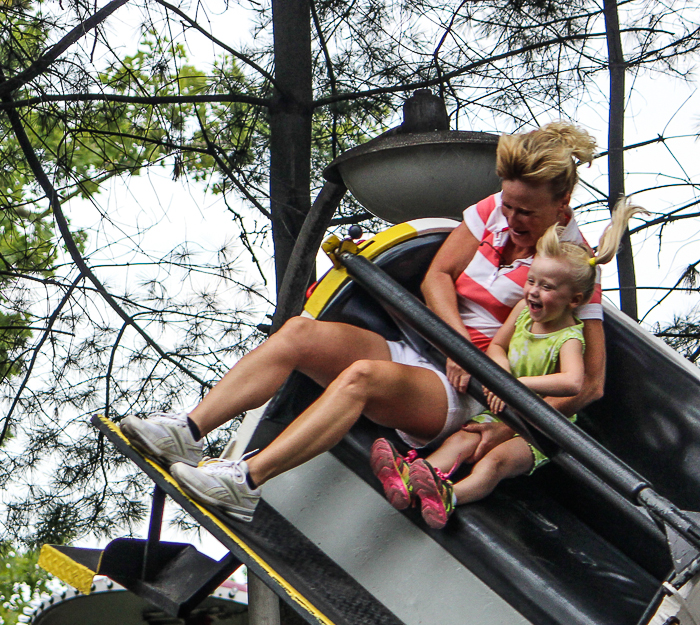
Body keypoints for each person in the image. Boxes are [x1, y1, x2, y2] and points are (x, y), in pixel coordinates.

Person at [119, 122, 607, 524]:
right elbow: (439, 274)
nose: (513, 218)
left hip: (460, 393)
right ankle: (187, 430)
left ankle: (244, 483)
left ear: (561, 205)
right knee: (298, 334)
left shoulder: (571, 266)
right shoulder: (493, 212)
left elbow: (590, 387)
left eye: (527, 212)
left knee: (361, 379)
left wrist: (501, 399)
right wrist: (461, 344)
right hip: (433, 347)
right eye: (508, 204)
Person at [370, 199, 640, 529]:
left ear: (575, 300)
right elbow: (498, 345)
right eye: (532, 281)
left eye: (547, 287)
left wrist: (515, 387)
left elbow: (573, 383)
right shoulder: (524, 313)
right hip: (503, 405)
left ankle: (451, 495)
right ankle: (410, 479)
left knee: (495, 461)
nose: (534, 292)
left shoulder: (570, 337)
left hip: (540, 428)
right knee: (463, 439)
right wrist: (501, 375)